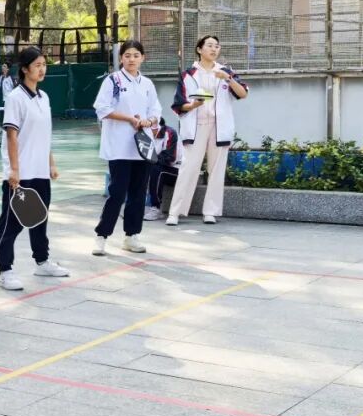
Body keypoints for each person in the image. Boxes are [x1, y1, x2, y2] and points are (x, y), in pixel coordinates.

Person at [0, 47, 69, 291]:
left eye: (44, 64)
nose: (42, 69)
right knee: (12, 223)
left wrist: (51, 163)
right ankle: (5, 270)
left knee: (40, 217)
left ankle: (42, 261)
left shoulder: (43, 97)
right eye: (37, 65)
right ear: (25, 69)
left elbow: (44, 135)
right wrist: (14, 170)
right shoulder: (15, 98)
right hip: (20, 173)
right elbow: (11, 136)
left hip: (40, 171)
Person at [166, 35, 249, 226]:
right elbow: (179, 105)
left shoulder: (225, 72)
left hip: (219, 127)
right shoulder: (188, 74)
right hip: (196, 126)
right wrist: (194, 105)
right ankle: (175, 212)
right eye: (209, 45)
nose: (214, 49)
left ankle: (210, 212)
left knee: (216, 170)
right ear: (199, 49)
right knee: (188, 168)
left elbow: (243, 93)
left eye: (217, 46)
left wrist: (228, 78)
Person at [92, 39, 161, 256]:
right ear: (121, 58)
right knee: (117, 193)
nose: (132, 59)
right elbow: (102, 108)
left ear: (143, 58)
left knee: (138, 194)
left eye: (136, 55)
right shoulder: (113, 80)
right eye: (127, 55)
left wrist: (149, 121)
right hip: (119, 147)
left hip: (142, 146)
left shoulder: (147, 84)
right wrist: (129, 118)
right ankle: (102, 236)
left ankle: (131, 236)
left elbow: (155, 110)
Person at [143, 124, 180, 221]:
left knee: (156, 169)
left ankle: (156, 208)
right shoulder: (144, 134)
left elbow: (169, 158)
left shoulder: (170, 133)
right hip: (160, 167)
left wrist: (149, 160)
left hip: (177, 170)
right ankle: (136, 206)